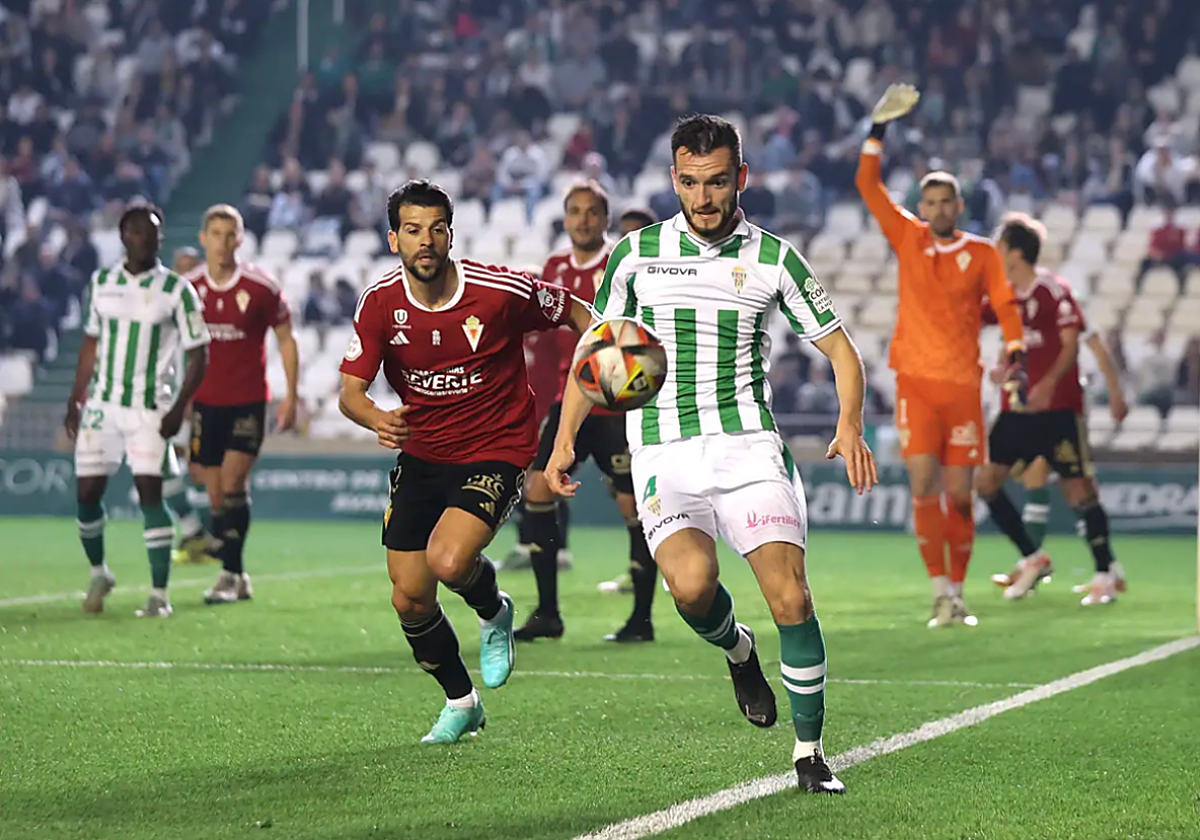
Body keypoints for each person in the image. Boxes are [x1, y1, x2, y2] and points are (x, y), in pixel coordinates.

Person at [546, 115, 877, 793]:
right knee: (692, 590)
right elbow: (595, 353)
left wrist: (850, 423)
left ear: (741, 178)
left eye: (718, 182)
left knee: (790, 596)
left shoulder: (775, 258)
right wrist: (563, 441)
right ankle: (738, 649)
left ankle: (809, 753)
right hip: (662, 450)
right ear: (674, 179)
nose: (704, 197)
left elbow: (842, 351)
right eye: (692, 183)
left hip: (746, 447)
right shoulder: (635, 254)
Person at [338, 180, 594, 744]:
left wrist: (608, 359)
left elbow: (577, 311)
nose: (425, 241)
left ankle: (493, 608)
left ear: (451, 235)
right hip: (423, 453)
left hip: (497, 447)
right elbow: (350, 394)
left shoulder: (498, 292)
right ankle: (462, 701)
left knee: (449, 560)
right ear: (393, 239)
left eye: (436, 229)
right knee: (409, 597)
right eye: (412, 230)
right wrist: (377, 418)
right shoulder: (379, 303)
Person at [856, 84, 1026, 628]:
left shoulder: (981, 253)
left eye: (945, 201)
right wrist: (878, 130)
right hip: (915, 384)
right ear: (922, 206)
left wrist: (1015, 349)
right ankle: (940, 593)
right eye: (928, 202)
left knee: (960, 495)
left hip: (962, 388)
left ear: (959, 205)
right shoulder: (908, 237)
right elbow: (867, 185)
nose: (936, 210)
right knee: (924, 487)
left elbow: (1005, 303)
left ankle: (958, 589)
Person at [514, 180, 658, 644]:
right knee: (537, 489)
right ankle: (547, 613)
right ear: (565, 217)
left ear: (605, 218)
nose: (582, 220)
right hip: (569, 400)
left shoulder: (621, 262)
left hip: (616, 404)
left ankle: (641, 619)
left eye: (591, 211)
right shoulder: (553, 267)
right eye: (575, 211)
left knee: (633, 506)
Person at [65, 203, 211, 618]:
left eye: (151, 233)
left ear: (159, 238)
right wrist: (75, 397)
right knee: (86, 494)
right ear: (122, 237)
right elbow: (91, 343)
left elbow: (199, 354)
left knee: (150, 491)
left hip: (150, 406)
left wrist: (178, 407)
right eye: (135, 232)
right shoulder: (102, 283)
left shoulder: (177, 290)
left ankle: (159, 594)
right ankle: (99, 572)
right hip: (103, 404)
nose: (143, 239)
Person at [978, 214, 1127, 606]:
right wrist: (1002, 368)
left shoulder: (1053, 290)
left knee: (1078, 489)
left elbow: (1074, 343)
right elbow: (1008, 338)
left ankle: (1105, 572)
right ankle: (1033, 557)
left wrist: (1050, 384)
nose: (994, 253)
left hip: (1058, 409)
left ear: (1015, 253)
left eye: (999, 246)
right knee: (986, 482)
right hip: (1017, 410)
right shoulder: (1004, 295)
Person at [186, 205, 300, 604]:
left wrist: (291, 396)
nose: (222, 242)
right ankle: (238, 574)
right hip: (205, 403)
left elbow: (286, 339)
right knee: (216, 494)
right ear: (203, 239)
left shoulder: (260, 287)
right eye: (215, 234)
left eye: (229, 234)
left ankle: (229, 575)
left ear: (240, 239)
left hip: (248, 401)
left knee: (234, 480)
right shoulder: (189, 288)